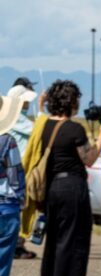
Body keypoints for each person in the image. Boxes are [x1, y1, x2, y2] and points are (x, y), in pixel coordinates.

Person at [38, 80, 101, 276]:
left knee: (54, 241)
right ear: (71, 101)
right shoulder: (74, 129)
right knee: (73, 241)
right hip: (72, 187)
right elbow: (89, 158)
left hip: (52, 187)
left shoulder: (44, 126)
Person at [0, 94, 26, 276]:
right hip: (5, 207)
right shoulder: (7, 141)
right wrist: (21, 197)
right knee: (1, 265)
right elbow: (15, 175)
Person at [6, 82, 38, 260]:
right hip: (18, 169)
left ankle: (17, 244)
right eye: (25, 102)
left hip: (17, 169)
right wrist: (41, 111)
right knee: (18, 207)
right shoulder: (15, 117)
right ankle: (16, 245)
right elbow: (36, 130)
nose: (27, 105)